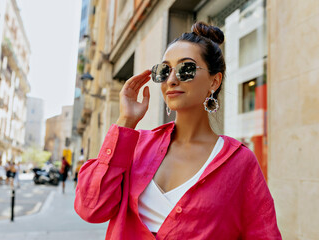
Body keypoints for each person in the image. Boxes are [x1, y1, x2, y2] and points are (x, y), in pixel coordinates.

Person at [74, 22, 282, 239]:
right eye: (164, 71)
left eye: (186, 69)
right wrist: (125, 120)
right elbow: (92, 209)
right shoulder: (134, 146)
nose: (172, 80)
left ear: (214, 81)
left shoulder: (239, 162)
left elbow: (263, 233)